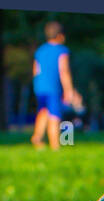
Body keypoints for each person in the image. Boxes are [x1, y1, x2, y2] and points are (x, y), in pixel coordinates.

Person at [31, 21, 82, 149]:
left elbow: (35, 70)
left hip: (40, 87)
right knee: (55, 115)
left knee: (43, 111)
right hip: (53, 87)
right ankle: (55, 145)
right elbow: (64, 71)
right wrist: (69, 90)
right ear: (60, 36)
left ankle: (37, 137)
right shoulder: (61, 50)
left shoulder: (40, 51)